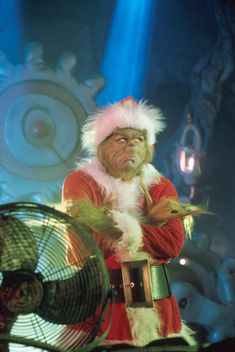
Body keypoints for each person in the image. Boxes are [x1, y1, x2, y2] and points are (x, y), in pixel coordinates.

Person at [62, 96, 197, 347]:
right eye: (122, 139)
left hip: (158, 309)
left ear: (150, 149)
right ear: (101, 146)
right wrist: (149, 224)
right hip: (99, 309)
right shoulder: (80, 182)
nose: (132, 146)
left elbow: (172, 244)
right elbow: (82, 251)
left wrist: (107, 224)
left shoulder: (161, 186)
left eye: (139, 139)